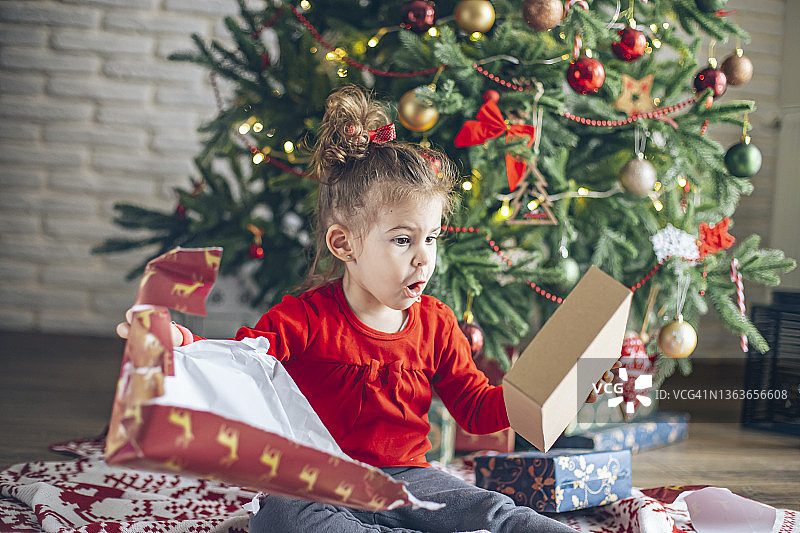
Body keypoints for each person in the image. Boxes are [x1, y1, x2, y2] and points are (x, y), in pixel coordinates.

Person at [117, 85, 610, 532]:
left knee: (493, 511)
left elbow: (478, 411)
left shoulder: (436, 323)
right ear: (345, 244)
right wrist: (184, 344)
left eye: (433, 238)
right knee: (286, 516)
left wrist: (556, 386)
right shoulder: (303, 318)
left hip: (406, 482)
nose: (424, 257)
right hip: (318, 481)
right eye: (402, 239)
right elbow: (243, 362)